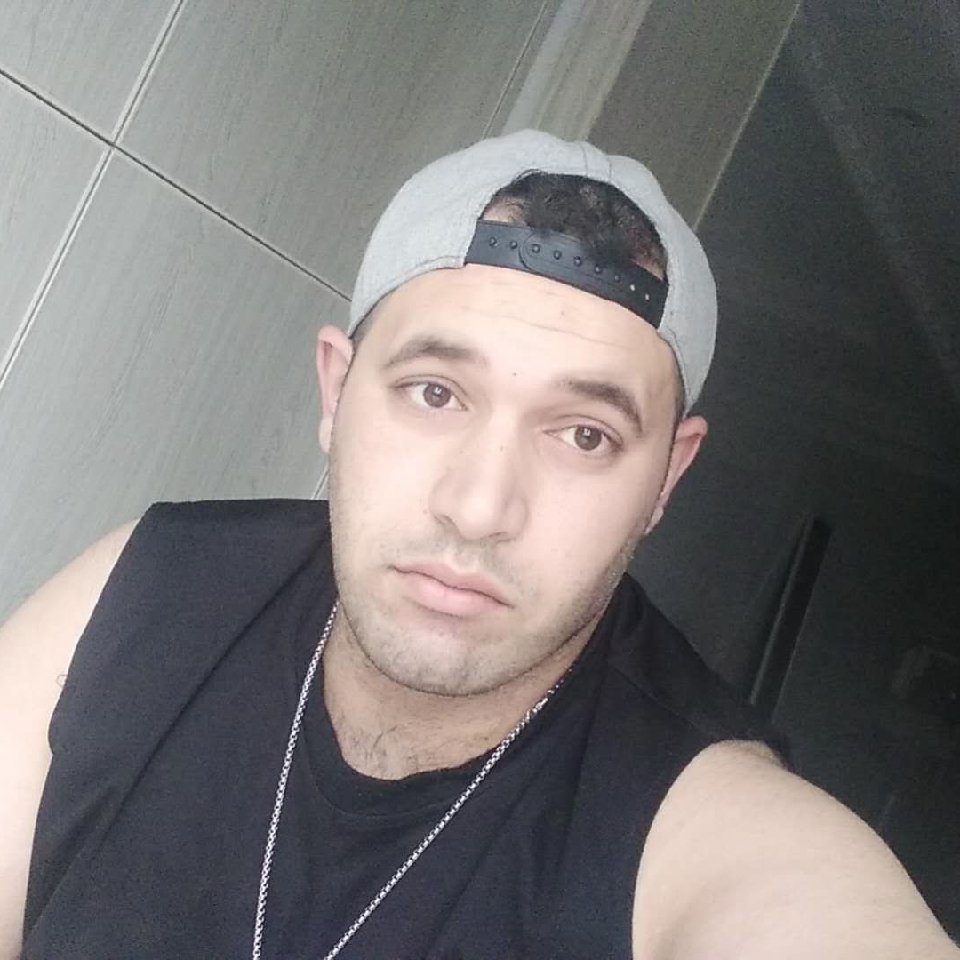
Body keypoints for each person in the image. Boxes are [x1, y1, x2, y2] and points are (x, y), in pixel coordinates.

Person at [1, 130, 956, 960]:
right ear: (337, 391)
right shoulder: (153, 589)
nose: (479, 506)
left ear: (666, 480)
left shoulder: (705, 829)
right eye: (435, 393)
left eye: (585, 435)